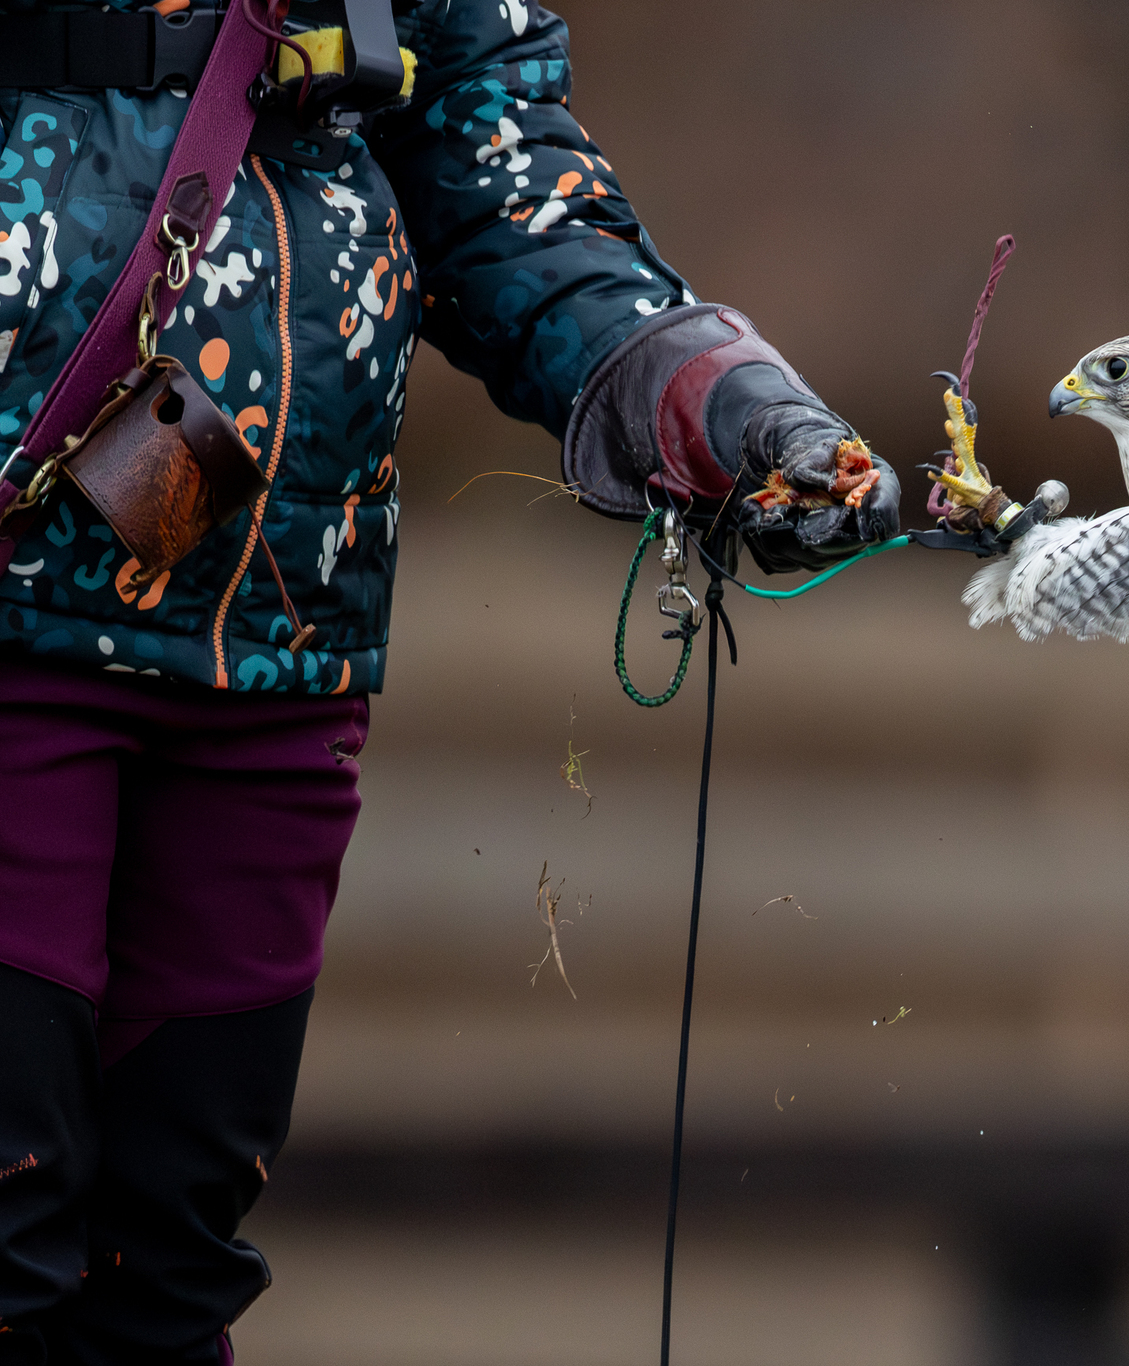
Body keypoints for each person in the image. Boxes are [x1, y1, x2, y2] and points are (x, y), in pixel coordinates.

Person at [0, 3, 899, 1362]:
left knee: (166, 1271)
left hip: (282, 642)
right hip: (17, 616)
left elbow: (505, 183)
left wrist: (710, 398)